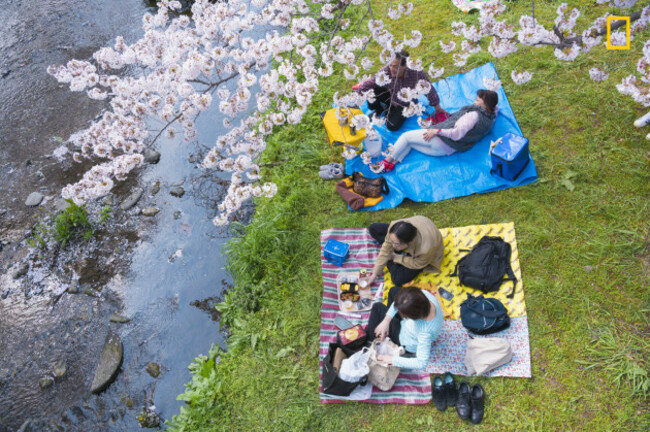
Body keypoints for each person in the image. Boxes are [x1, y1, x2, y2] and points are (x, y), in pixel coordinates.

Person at [370, 89, 499, 174]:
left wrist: (437, 131)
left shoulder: (472, 116)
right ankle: (392, 164)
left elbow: (456, 134)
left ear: (486, 105)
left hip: (440, 141)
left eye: (479, 99)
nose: (475, 99)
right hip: (447, 150)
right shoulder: (490, 116)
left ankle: (385, 161)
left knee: (405, 137)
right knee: (410, 143)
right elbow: (496, 107)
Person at [356, 50, 446, 132]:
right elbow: (372, 81)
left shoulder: (416, 73)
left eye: (395, 66)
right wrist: (358, 93)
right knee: (371, 90)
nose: (391, 69)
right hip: (391, 94)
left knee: (391, 126)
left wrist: (437, 106)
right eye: (390, 65)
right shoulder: (387, 70)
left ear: (404, 66)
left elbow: (428, 89)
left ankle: (388, 110)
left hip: (405, 104)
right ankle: (380, 108)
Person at [365, 285, 443, 370]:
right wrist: (386, 320)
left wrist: (390, 359)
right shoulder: (425, 295)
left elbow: (421, 363)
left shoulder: (424, 333)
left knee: (377, 307)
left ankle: (373, 340)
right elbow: (398, 302)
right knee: (394, 290)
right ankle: (385, 324)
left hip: (404, 337)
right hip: (409, 326)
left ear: (410, 317)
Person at [365, 216, 443, 287]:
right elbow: (387, 246)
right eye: (392, 241)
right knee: (374, 228)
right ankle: (393, 254)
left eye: (396, 244)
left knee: (398, 279)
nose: (392, 245)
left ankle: (391, 259)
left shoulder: (425, 249)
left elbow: (417, 263)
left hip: (421, 259)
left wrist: (395, 257)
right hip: (405, 237)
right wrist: (374, 275)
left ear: (410, 242)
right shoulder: (395, 227)